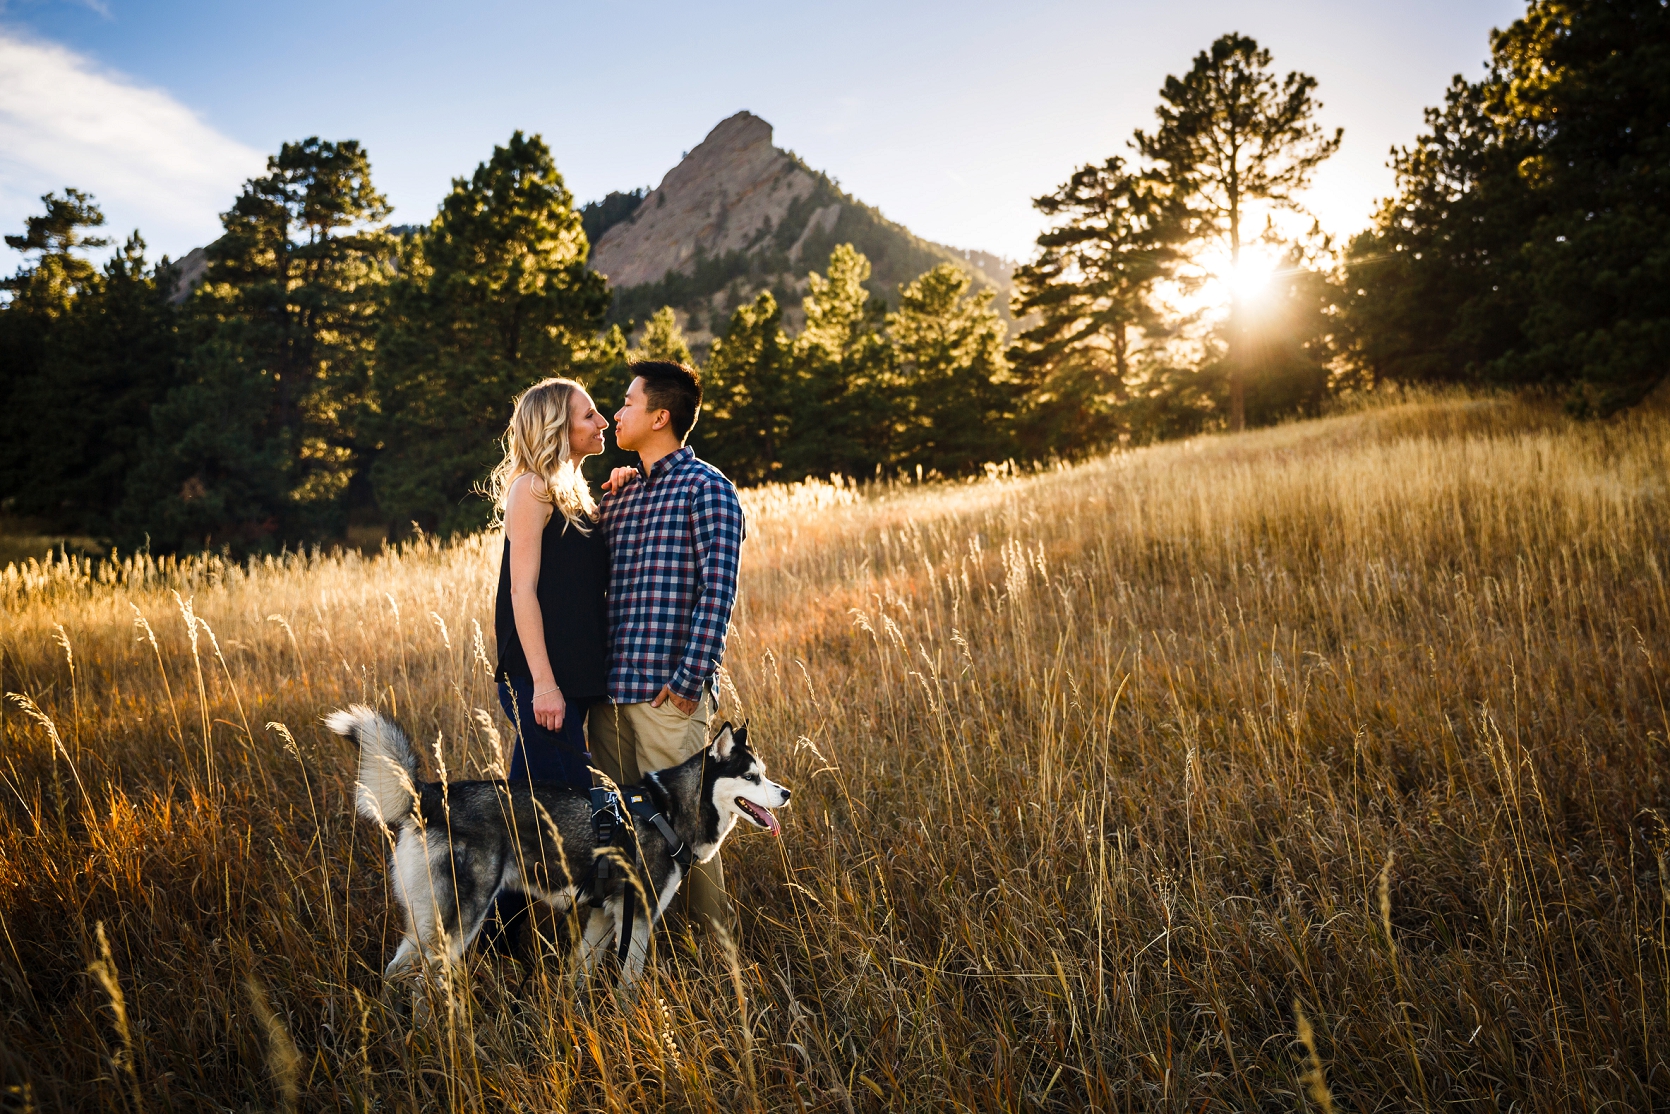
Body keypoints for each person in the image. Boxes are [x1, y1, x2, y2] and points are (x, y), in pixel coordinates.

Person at [589, 360, 746, 936]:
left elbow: (718, 595)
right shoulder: (622, 496)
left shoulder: (709, 490)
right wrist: (617, 484)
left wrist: (687, 683)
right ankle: (619, 946)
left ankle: (712, 954)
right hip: (609, 699)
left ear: (660, 416)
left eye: (627, 403)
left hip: (666, 699)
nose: (616, 413)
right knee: (615, 828)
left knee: (686, 831)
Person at [490, 377, 612, 790]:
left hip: (572, 675)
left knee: (532, 810)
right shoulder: (532, 489)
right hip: (538, 677)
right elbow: (520, 591)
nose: (603, 422)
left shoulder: (577, 495)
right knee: (571, 807)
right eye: (589, 414)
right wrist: (543, 685)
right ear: (558, 428)